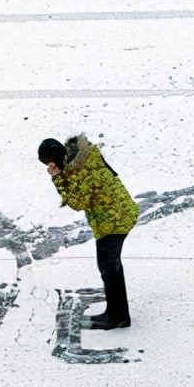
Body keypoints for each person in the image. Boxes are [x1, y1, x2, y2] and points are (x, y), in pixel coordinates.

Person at [38, 134, 140, 329]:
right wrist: (62, 173)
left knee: (108, 267)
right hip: (117, 213)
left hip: (114, 219)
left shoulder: (80, 170)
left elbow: (77, 202)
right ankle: (117, 313)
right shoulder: (80, 159)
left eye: (48, 163)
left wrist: (58, 177)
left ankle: (117, 316)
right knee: (111, 267)